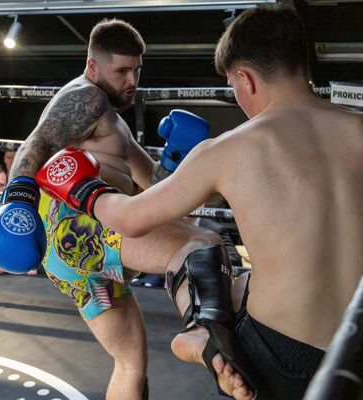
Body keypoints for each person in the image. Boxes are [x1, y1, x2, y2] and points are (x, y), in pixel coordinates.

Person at [35, 5, 363, 400]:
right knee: (231, 276)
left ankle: (202, 331)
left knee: (210, 256)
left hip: (277, 351)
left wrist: (83, 187)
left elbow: (132, 218)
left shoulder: (229, 149)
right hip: (353, 345)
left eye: (232, 86)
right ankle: (202, 331)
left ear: (244, 78)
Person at [0, 19, 255, 399]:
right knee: (201, 245)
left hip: (79, 257)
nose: (131, 80)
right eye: (121, 70)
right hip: (78, 229)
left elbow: (157, 187)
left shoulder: (111, 122)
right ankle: (200, 334)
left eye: (137, 70)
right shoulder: (85, 98)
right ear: (93, 66)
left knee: (130, 363)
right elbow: (34, 145)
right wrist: (16, 205)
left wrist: (177, 160)